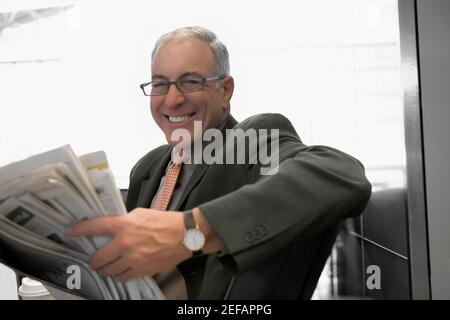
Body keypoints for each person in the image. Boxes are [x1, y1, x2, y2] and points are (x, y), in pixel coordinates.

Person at [67, 26, 372, 299]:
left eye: (190, 82)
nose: (171, 100)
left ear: (225, 90)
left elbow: (342, 174)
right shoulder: (147, 169)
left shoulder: (250, 141)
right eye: (160, 84)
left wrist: (189, 232)